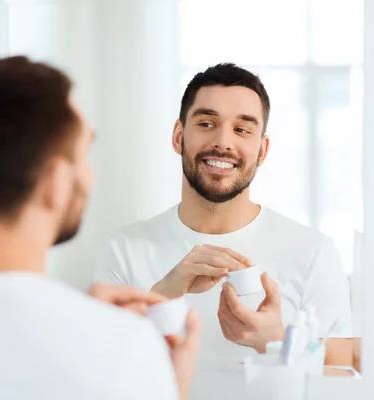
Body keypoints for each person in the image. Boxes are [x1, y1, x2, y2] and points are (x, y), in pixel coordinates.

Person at [0, 56, 200, 400]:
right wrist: (167, 385)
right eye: (84, 154)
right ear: (56, 182)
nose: (90, 176)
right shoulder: (121, 350)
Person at [93, 63, 353, 398]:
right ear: (178, 136)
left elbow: (341, 388)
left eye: (242, 130)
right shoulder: (124, 248)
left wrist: (275, 344)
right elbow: (100, 376)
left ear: (262, 150)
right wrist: (162, 297)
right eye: (206, 123)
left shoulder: (314, 252)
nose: (222, 142)